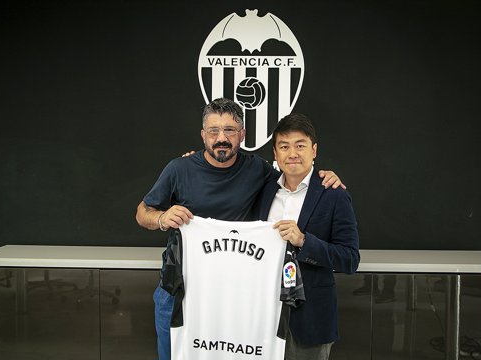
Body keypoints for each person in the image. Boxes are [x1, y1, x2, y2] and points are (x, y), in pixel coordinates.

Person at [135, 98, 344, 360]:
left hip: (233, 295)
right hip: (178, 289)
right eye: (214, 131)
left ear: (242, 135)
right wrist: (162, 218)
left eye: (230, 131)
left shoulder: (258, 170)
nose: (221, 138)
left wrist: (322, 176)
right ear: (203, 135)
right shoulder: (179, 169)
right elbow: (142, 213)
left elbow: (294, 175)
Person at [253, 113, 360, 360]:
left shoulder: (334, 194)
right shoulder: (262, 190)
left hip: (311, 318)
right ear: (275, 154)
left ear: (314, 150)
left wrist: (303, 241)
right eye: (284, 146)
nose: (292, 153)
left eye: (300, 145)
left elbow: (350, 259)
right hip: (262, 317)